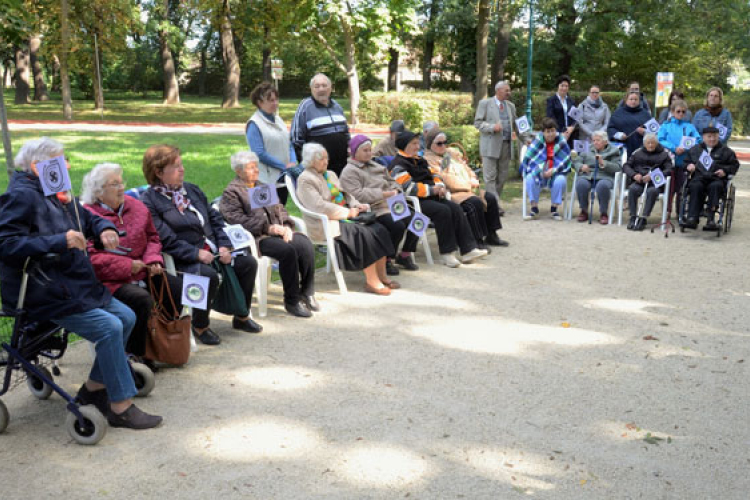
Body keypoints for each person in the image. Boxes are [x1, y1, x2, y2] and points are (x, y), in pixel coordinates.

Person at [0, 138, 161, 429]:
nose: (68, 166)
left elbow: (88, 218)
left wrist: (106, 228)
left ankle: (94, 389)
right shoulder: (22, 197)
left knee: (126, 316)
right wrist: (58, 241)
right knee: (109, 326)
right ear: (38, 167)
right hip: (43, 290)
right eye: (61, 161)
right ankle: (120, 405)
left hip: (72, 284)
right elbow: (6, 244)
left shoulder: (56, 193)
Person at [141, 145, 261, 346]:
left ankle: (241, 315)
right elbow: (164, 238)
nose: (183, 170)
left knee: (248, 263)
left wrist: (224, 246)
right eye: (176, 167)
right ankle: (200, 324)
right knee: (207, 275)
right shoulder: (150, 201)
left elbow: (215, 219)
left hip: (213, 250)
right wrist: (195, 253)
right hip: (182, 258)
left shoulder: (191, 190)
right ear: (159, 172)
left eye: (182, 165)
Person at [82, 163, 182, 371]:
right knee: (139, 299)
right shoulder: (87, 216)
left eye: (122, 182)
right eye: (114, 184)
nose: (121, 188)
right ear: (98, 191)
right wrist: (128, 266)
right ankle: (136, 354)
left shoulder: (136, 206)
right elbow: (90, 257)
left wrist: (154, 259)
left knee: (174, 287)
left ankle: (160, 340)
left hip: (144, 268)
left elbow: (153, 237)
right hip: (109, 280)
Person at [219, 151, 316, 318]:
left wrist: (285, 226)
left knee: (304, 244)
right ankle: (291, 300)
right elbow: (238, 221)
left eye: (256, 166)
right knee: (287, 251)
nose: (256, 170)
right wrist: (268, 228)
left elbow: (280, 209)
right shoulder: (232, 192)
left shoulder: (261, 186)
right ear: (238, 171)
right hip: (257, 238)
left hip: (277, 231)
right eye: (250, 168)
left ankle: (306, 292)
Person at [296, 143, 398, 295]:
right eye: (321, 159)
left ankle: (382, 276)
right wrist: (348, 213)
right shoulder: (306, 179)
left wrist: (358, 205)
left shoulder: (329, 174)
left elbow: (346, 195)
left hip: (345, 216)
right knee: (364, 234)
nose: (326, 161)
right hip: (325, 222)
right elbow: (319, 207)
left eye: (326, 158)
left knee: (379, 229)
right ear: (310, 161)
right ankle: (372, 281)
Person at [390, 131, 487, 267]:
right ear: (404, 145)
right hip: (412, 201)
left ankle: (468, 249)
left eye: (418, 143)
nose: (418, 147)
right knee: (443, 211)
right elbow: (407, 188)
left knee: (455, 208)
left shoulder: (420, 160)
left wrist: (439, 185)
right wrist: (431, 190)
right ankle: (447, 253)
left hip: (431, 197)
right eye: (414, 144)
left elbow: (435, 174)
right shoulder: (397, 164)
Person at [339, 134, 420, 275]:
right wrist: (383, 194)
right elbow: (356, 194)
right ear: (354, 152)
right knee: (397, 226)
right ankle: (388, 259)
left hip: (392, 203)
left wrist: (396, 189)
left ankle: (405, 255)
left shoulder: (377, 165)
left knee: (418, 221)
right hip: (374, 207)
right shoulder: (349, 171)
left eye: (370, 150)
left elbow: (392, 180)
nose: (369, 153)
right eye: (365, 150)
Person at [423, 128, 508, 249]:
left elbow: (465, 167)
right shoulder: (429, 160)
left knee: (490, 198)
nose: (443, 146)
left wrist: (473, 178)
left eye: (445, 142)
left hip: (467, 189)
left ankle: (492, 234)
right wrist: (468, 183)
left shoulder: (450, 153)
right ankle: (476, 239)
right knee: (474, 204)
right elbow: (445, 179)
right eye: (439, 143)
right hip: (452, 192)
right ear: (429, 144)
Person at [474, 80, 531, 212]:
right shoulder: (485, 104)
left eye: (509, 90)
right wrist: (492, 127)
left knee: (502, 177)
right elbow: (477, 123)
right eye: (507, 90)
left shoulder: (510, 106)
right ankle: (495, 206)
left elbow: (517, 125)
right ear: (498, 90)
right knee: (490, 177)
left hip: (506, 146)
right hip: (490, 146)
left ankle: (493, 202)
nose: (509, 93)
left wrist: (526, 139)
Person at [246, 81, 297, 206]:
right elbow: (259, 153)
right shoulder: (254, 124)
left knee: (280, 215)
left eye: (276, 99)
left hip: (283, 178)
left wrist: (293, 162)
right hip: (262, 179)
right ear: (259, 102)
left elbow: (288, 143)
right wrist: (284, 166)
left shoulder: (278, 119)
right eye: (271, 100)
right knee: (262, 217)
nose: (275, 103)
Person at [290, 73, 350, 177]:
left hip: (342, 165)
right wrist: (306, 162)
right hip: (319, 168)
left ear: (331, 88)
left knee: (341, 192)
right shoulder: (305, 106)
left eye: (324, 85)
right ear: (311, 89)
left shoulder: (337, 106)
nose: (321, 89)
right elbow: (296, 138)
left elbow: (346, 132)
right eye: (317, 86)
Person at [683, 126, 740, 230]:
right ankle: (692, 218)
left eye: (714, 136)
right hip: (699, 177)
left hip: (716, 178)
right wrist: (689, 166)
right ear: (703, 137)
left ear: (718, 137)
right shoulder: (695, 149)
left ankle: (711, 219)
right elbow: (686, 162)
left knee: (716, 186)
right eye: (709, 136)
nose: (712, 139)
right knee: (695, 186)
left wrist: (725, 171)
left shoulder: (726, 151)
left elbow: (734, 165)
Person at [519, 117, 572, 221]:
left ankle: (554, 209)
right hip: (539, 173)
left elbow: (566, 160)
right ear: (543, 132)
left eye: (553, 131)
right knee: (530, 177)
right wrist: (541, 171)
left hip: (556, 172)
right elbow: (529, 160)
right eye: (548, 131)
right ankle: (534, 209)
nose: (551, 134)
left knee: (561, 180)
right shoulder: (537, 142)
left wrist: (554, 170)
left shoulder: (562, 142)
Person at [657, 99, 701, 213]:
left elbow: (698, 139)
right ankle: (667, 212)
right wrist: (674, 148)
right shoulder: (665, 126)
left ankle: (680, 213)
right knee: (669, 189)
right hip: (669, 162)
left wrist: (687, 147)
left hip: (684, 162)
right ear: (672, 111)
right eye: (678, 111)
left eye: (683, 112)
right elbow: (660, 139)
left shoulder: (689, 126)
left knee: (682, 189)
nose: (681, 114)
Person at [621, 133, 673, 231]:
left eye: (652, 143)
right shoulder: (637, 153)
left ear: (656, 144)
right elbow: (626, 166)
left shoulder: (664, 154)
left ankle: (644, 217)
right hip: (640, 181)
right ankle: (633, 216)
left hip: (656, 183)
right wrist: (634, 175)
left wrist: (653, 176)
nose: (650, 145)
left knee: (652, 192)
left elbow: (669, 169)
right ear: (644, 143)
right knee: (632, 189)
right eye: (648, 143)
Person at [571, 130, 622, 224]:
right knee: (581, 184)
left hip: (605, 176)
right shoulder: (587, 148)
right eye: (593, 140)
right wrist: (581, 167)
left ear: (605, 141)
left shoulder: (614, 150)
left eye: (598, 140)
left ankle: (603, 213)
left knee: (602, 186)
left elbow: (618, 167)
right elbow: (576, 161)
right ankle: (584, 210)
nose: (595, 142)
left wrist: (604, 163)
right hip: (588, 175)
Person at [607, 91, 651, 157]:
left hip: (641, 148)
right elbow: (611, 128)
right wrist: (619, 135)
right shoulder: (618, 113)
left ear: (639, 101)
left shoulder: (645, 114)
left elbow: (654, 131)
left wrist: (645, 132)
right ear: (626, 100)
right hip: (623, 148)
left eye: (636, 99)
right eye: (631, 99)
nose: (633, 101)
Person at [546, 75, 577, 145]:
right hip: (557, 134)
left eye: (566, 86)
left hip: (570, 135)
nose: (564, 88)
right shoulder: (551, 100)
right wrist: (561, 133)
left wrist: (571, 128)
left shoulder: (571, 101)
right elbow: (550, 117)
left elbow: (575, 117)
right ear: (558, 86)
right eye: (562, 85)